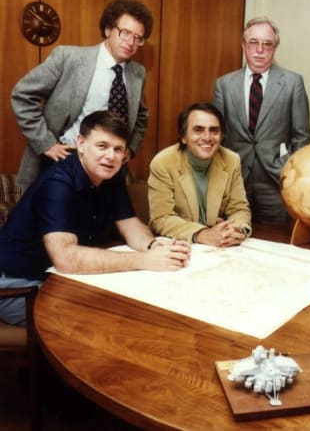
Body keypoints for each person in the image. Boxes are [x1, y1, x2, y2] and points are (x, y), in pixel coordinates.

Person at [0, 111, 190, 326]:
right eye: (102, 146)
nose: (111, 156)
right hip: (17, 286)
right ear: (80, 144)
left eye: (118, 149)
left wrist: (154, 246)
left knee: (144, 302)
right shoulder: (56, 183)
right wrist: (144, 260)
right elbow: (66, 258)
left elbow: (129, 224)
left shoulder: (110, 175)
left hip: (58, 279)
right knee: (106, 319)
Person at [11, 0, 154, 191]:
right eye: (125, 33)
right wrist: (46, 143)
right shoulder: (68, 57)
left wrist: (131, 147)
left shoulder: (138, 73)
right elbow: (22, 95)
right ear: (108, 30)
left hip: (107, 170)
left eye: (138, 38)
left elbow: (141, 116)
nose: (131, 42)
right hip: (63, 161)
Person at [212, 16, 310, 224]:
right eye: (253, 43)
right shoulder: (224, 85)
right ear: (243, 46)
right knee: (235, 241)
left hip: (276, 182)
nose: (260, 50)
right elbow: (216, 136)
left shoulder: (293, 83)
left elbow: (302, 137)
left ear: (275, 48)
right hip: (235, 181)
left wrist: (288, 172)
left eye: (267, 44)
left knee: (276, 242)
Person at [148, 102, 251, 247]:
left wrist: (236, 230)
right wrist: (203, 234)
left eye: (214, 131)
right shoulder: (163, 162)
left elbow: (239, 209)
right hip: (182, 244)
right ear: (183, 137)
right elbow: (161, 218)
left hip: (220, 245)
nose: (207, 137)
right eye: (198, 130)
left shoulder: (231, 160)